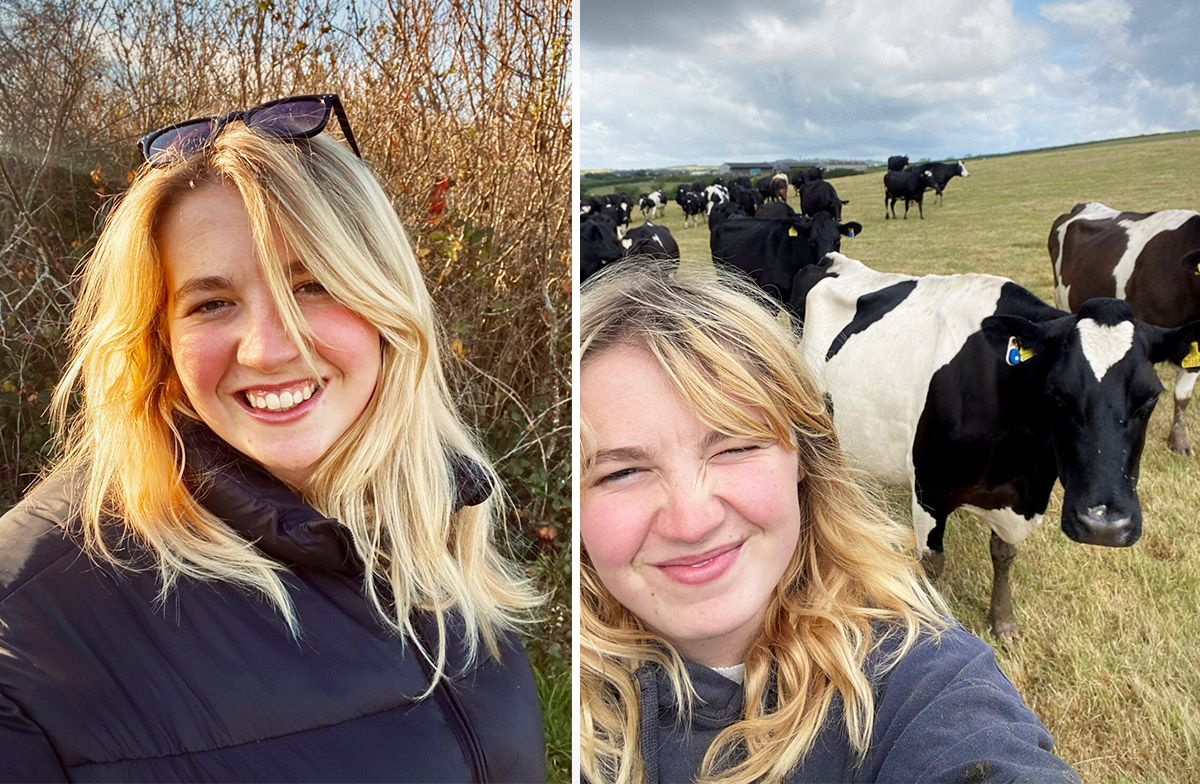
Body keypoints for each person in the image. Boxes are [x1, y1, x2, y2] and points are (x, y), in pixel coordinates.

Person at [0, 94, 544, 782]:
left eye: (313, 285)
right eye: (211, 303)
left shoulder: (433, 522)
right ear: (157, 338)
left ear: (386, 304)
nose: (267, 348)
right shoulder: (29, 626)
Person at [578, 259, 1081, 784]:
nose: (691, 522)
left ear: (803, 454)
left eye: (736, 447)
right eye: (622, 472)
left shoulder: (920, 675)